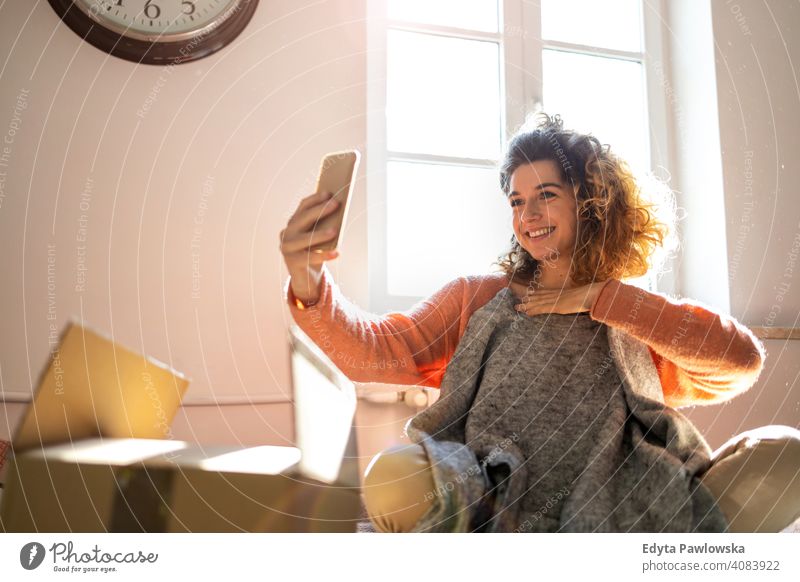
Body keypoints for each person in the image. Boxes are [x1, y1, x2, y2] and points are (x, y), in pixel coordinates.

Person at [280, 114, 800, 533]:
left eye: (546, 194)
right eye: (516, 200)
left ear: (592, 201)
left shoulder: (637, 315)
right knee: (394, 479)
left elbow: (741, 360)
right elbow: (377, 351)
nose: (528, 214)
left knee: (786, 455)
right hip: (486, 491)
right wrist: (308, 279)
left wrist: (600, 296)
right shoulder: (477, 298)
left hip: (628, 488)